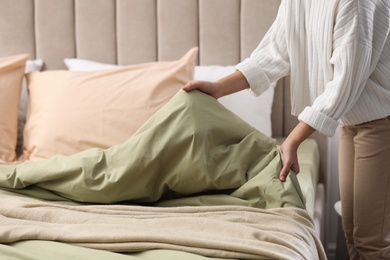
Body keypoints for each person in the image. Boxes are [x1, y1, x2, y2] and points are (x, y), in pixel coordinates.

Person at [183, 0, 390, 259]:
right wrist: (218, 88)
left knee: (371, 242)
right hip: (352, 122)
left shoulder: (357, 3)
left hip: (381, 124)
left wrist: (292, 140)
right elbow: (273, 53)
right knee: (353, 235)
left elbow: (345, 81)